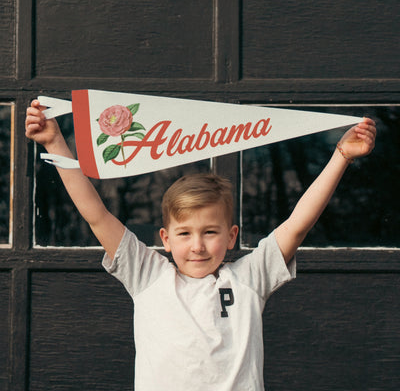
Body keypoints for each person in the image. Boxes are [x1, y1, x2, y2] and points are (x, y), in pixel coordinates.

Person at [25, 99, 376, 391]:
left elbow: (297, 225)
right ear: (165, 239)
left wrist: (341, 156)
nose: (197, 246)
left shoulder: (249, 279)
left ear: (232, 236)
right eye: (184, 234)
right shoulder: (147, 274)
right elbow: (97, 216)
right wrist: (56, 144)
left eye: (210, 232)